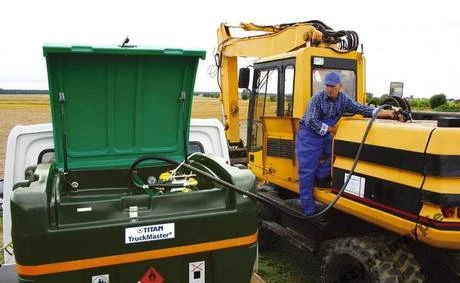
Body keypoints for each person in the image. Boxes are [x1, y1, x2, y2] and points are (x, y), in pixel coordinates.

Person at [296, 71, 397, 216]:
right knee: (306, 172)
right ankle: (309, 210)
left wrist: (387, 114)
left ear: (340, 86)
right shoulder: (316, 99)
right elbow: (311, 121)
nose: (330, 90)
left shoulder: (343, 100)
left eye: (333, 87)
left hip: (327, 135)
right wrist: (331, 129)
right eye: (327, 86)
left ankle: (319, 174)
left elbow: (363, 109)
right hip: (310, 136)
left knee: (341, 154)